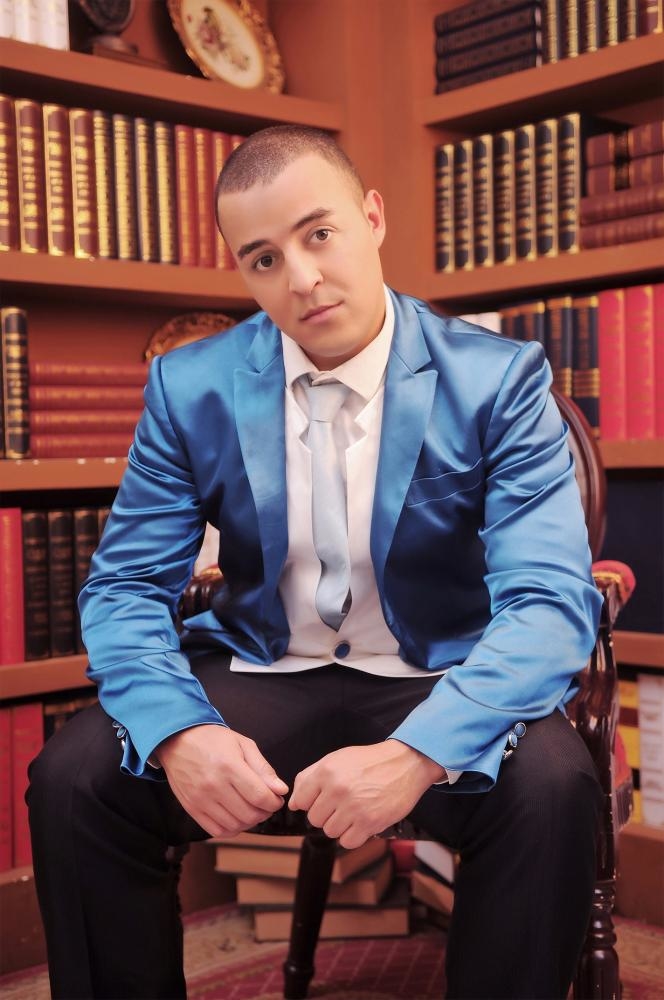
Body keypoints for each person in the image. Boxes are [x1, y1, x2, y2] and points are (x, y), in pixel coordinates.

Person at [28, 126, 604, 1000]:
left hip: (438, 673)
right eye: (263, 259)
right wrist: (180, 732)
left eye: (319, 234)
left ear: (372, 217)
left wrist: (417, 752)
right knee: (75, 782)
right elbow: (124, 587)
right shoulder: (191, 388)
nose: (299, 278)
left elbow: (550, 603)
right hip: (267, 666)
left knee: (554, 787)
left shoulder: (498, 379)